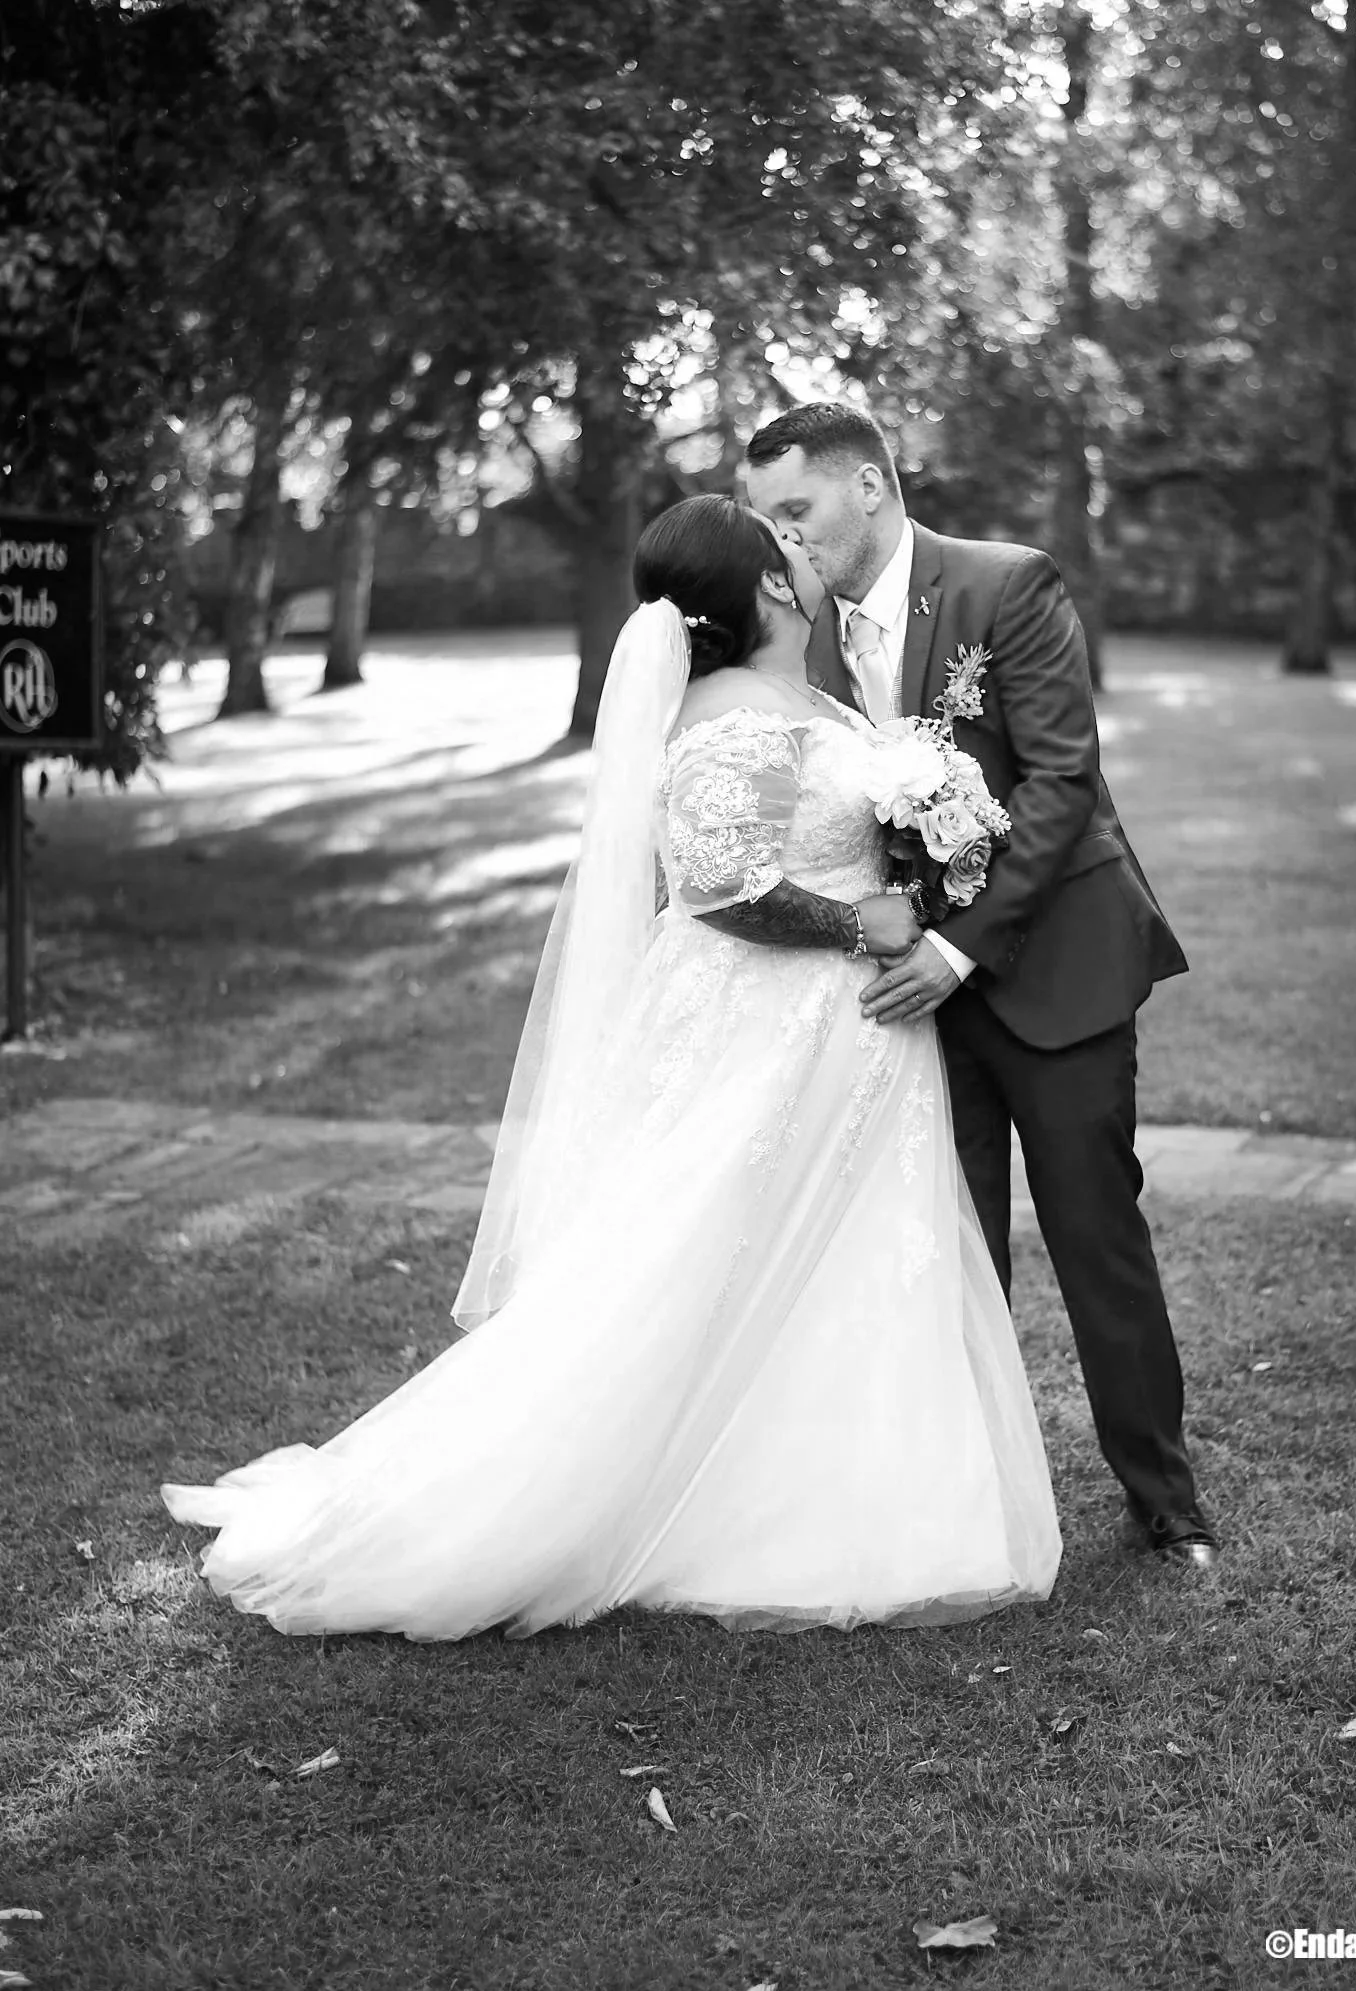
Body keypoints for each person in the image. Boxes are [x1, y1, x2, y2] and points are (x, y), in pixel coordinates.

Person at [161, 495, 1061, 1638]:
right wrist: (863, 928)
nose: (807, 544)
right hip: (776, 1021)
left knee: (829, 1246)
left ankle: (837, 1477)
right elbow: (724, 887)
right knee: (705, 1243)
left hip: (843, 1031)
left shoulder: (807, 697)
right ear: (774, 588)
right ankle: (639, 1496)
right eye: (787, 538)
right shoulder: (738, 714)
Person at [744, 402, 1216, 1568]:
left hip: (1049, 969)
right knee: (943, 1246)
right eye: (765, 523)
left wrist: (957, 950)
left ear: (867, 487)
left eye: (795, 512)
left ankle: (1165, 1498)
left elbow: (1061, 780)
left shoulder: (1006, 587)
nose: (781, 543)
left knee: (1096, 1236)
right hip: (903, 998)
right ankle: (965, 1502)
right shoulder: (794, 637)